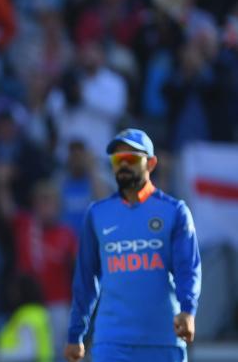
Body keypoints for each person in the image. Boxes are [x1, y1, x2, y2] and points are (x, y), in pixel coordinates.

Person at [64, 129, 201, 362]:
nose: (122, 165)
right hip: (112, 342)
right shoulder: (97, 214)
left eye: (130, 159)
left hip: (163, 340)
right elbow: (86, 281)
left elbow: (187, 269)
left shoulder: (174, 211)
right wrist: (75, 333)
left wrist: (188, 310)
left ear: (151, 163)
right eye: (117, 160)